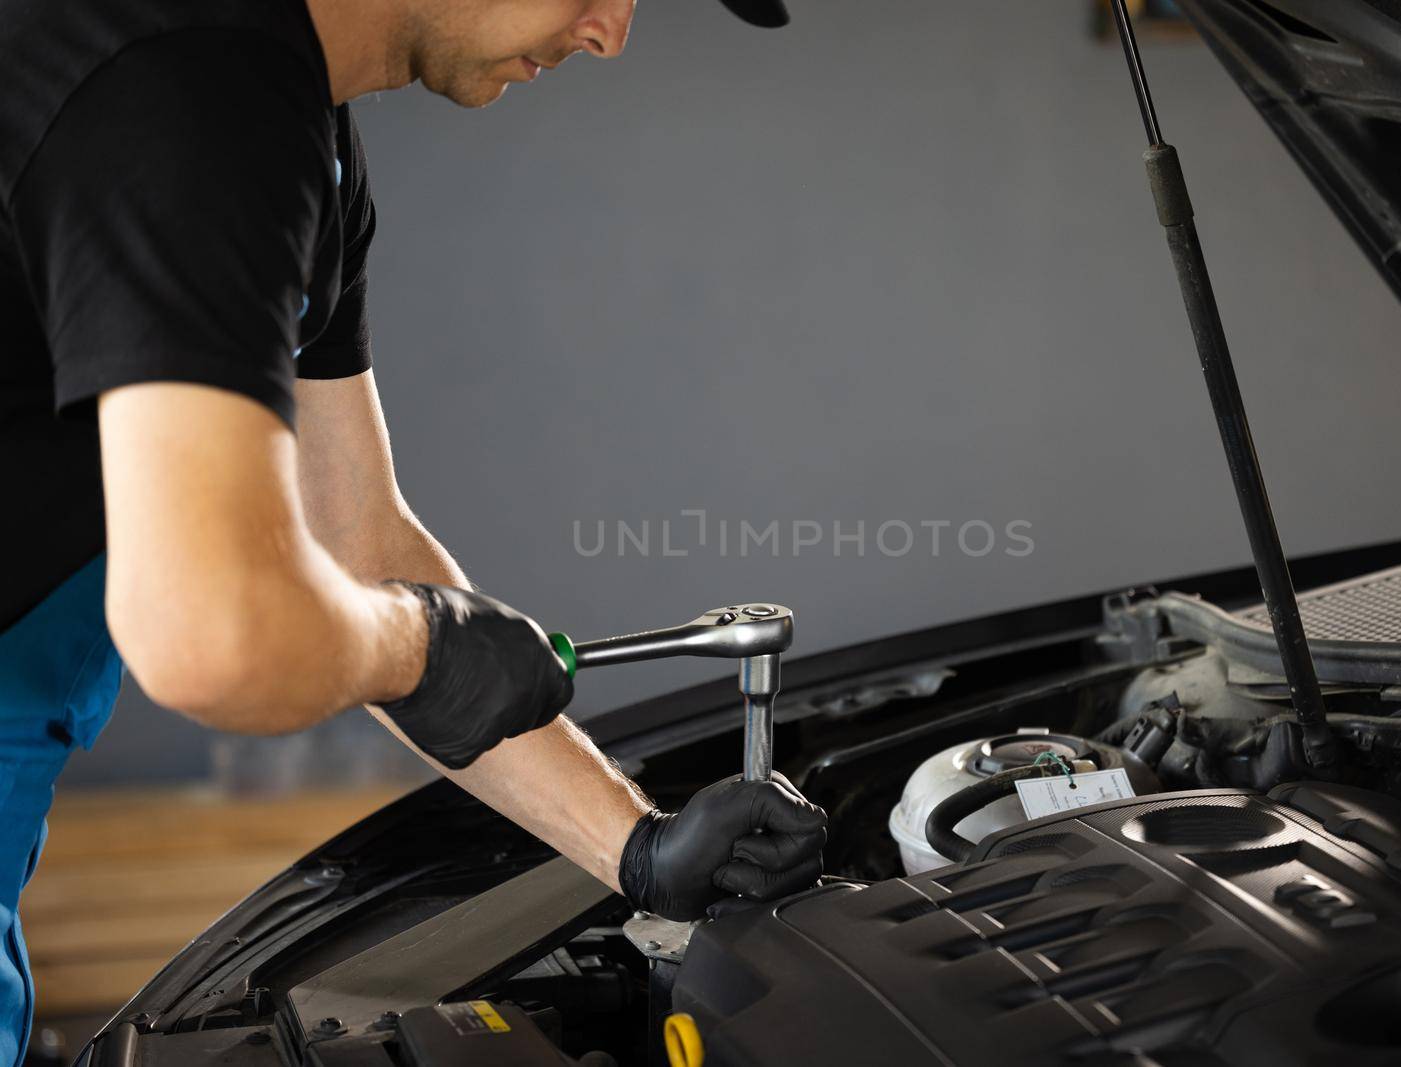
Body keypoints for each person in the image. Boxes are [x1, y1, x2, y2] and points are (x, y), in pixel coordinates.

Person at [0, 0, 822, 1061]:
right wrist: (420, 648)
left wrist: (637, 846)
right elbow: (209, 631)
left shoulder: (296, 118)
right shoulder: (190, 96)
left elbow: (360, 539)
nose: (612, 32)